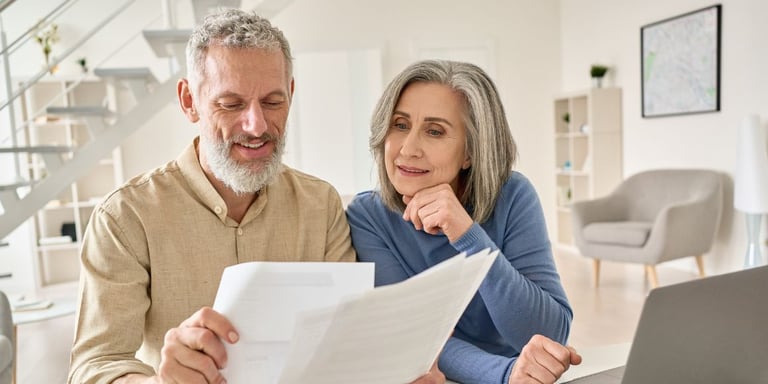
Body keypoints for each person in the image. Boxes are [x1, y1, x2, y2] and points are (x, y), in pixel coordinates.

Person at [68, 9, 447, 384]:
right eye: (231, 104)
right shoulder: (125, 217)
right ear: (188, 101)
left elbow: (347, 344)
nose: (257, 126)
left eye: (272, 102)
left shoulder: (321, 205)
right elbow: (94, 367)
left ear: (291, 94)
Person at [346, 60, 581, 384]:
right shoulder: (367, 216)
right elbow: (412, 337)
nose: (408, 148)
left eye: (434, 131)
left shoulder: (513, 195)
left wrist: (469, 236)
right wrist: (504, 374)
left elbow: (550, 332)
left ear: (470, 151)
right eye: (400, 125)